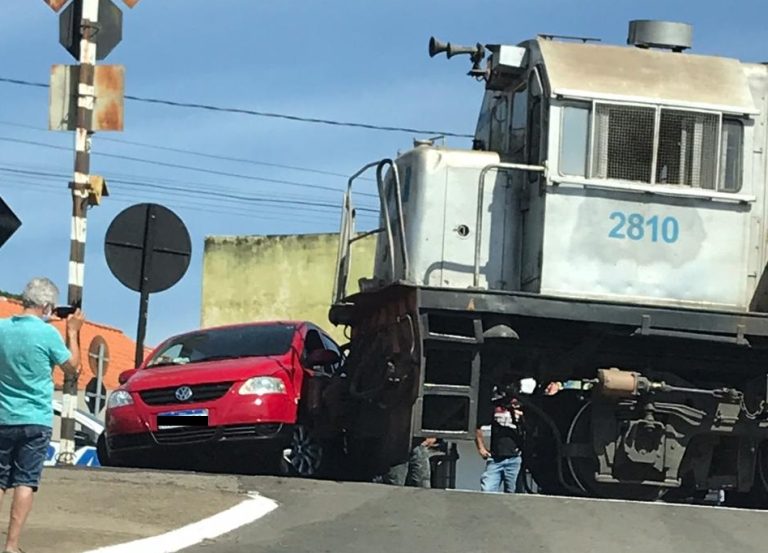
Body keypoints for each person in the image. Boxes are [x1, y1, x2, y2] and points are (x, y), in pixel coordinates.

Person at [0, 278, 83, 553]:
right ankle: (11, 545)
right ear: (47, 306)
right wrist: (72, 332)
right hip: (35, 417)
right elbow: (72, 368)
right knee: (25, 481)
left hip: (3, 416)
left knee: (0, 479)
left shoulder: (2, 328)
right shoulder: (48, 335)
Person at [476, 384, 524, 493]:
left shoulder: (523, 406)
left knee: (514, 494)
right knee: (487, 490)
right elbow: (477, 425)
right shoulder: (495, 406)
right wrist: (481, 448)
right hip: (495, 458)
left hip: (515, 458)